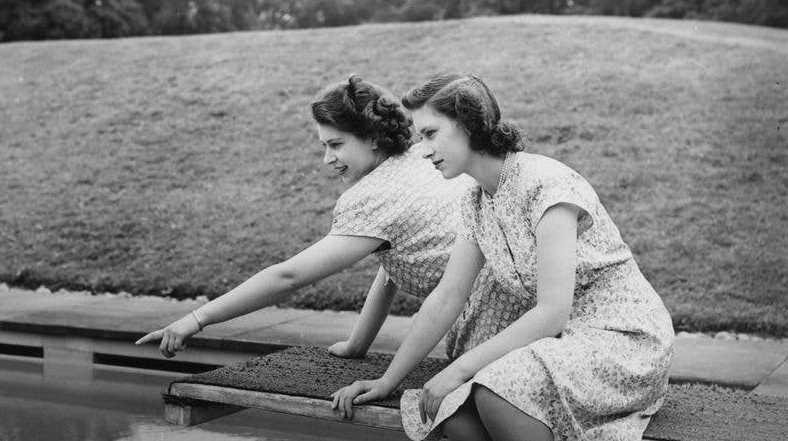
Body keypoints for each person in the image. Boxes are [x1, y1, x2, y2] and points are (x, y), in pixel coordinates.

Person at [331, 73, 673, 441]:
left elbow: (553, 311)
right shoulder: (475, 198)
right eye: (417, 136)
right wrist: (389, 378)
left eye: (431, 133)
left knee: (487, 384)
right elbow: (447, 297)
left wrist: (461, 366)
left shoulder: (545, 182)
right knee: (452, 411)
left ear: (468, 124)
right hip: (563, 347)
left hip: (620, 337)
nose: (421, 149)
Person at [135, 74, 519, 361]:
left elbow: (288, 276)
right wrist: (358, 344)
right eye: (323, 146)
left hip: (493, 322)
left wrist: (196, 319)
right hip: (513, 300)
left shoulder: (370, 198)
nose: (327, 159)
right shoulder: (421, 157)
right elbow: (393, 268)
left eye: (336, 145)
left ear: (372, 137)